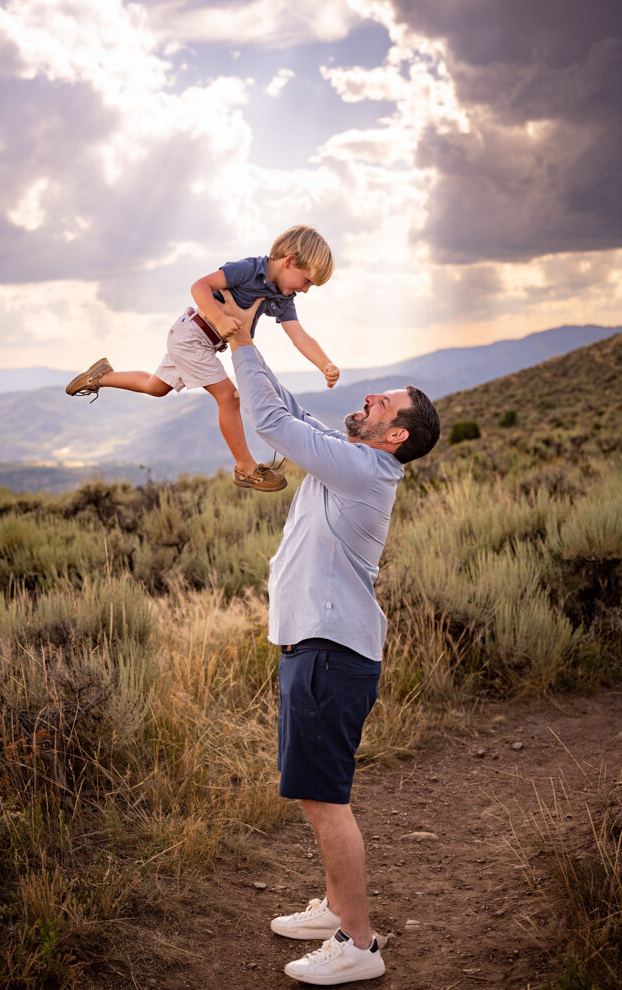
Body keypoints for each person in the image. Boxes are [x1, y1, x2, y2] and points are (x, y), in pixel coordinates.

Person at [225, 292, 440, 985]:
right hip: (314, 648)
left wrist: (242, 342)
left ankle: (357, 943)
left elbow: (265, 419)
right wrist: (247, 338)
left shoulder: (364, 469)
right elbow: (283, 411)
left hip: (329, 654)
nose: (370, 396)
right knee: (318, 797)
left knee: (325, 801)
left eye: (385, 404)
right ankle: (335, 907)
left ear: (395, 435)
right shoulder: (350, 457)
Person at [64, 225, 338, 493]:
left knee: (156, 387)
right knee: (229, 397)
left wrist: (324, 363)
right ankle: (245, 467)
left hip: (200, 341)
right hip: (193, 334)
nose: (305, 290)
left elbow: (299, 335)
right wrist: (219, 318)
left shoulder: (282, 297)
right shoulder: (248, 270)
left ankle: (100, 376)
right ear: (289, 262)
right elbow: (200, 286)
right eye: (307, 281)